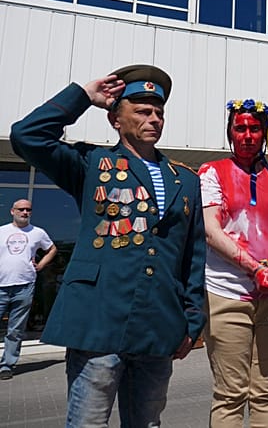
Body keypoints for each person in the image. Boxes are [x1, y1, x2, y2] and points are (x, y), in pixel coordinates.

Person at [9, 65, 207, 426]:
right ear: (116, 119)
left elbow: (192, 256)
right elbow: (26, 136)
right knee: (87, 421)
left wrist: (193, 320)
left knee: (147, 422)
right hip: (98, 320)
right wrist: (84, 96)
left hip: (159, 325)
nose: (155, 119)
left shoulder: (186, 180)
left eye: (159, 112)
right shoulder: (91, 164)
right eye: (143, 111)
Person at [199, 99, 268, 427]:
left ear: (264, 133)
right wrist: (257, 268)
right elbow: (211, 230)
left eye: (254, 128)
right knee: (230, 393)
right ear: (230, 132)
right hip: (226, 294)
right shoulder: (211, 172)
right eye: (239, 128)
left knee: (267, 390)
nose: (247, 135)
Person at [0, 199, 57, 380]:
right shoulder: (2, 231)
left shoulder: (38, 233)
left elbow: (52, 249)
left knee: (15, 330)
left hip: (25, 286)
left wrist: (40, 265)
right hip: (1, 285)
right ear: (12, 211)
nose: (25, 212)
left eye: (28, 210)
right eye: (21, 209)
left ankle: (7, 365)